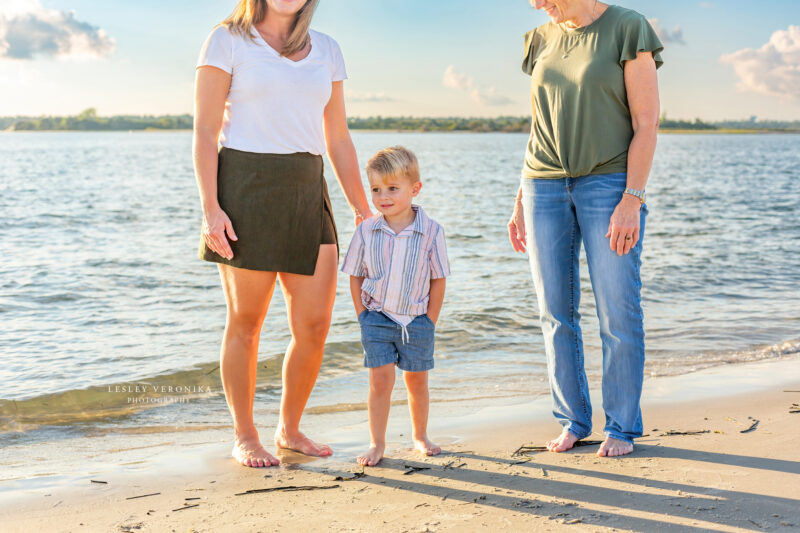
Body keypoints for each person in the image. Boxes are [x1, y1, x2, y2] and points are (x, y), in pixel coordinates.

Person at [193, 0, 372, 468]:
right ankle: (245, 435)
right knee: (246, 324)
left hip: (307, 188)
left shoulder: (327, 49)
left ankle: (289, 430)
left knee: (314, 325)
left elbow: (337, 137)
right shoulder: (227, 39)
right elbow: (205, 130)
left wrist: (363, 210)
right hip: (244, 188)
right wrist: (211, 208)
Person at [508, 0, 663, 457]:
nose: (537, 4)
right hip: (543, 185)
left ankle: (620, 426)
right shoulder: (539, 39)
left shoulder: (627, 28)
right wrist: (520, 199)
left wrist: (631, 200)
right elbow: (539, 126)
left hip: (609, 184)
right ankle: (572, 419)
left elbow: (647, 123)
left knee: (618, 311)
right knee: (554, 312)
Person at [341, 146, 450, 467]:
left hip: (417, 320)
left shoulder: (431, 231)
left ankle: (420, 435)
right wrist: (362, 316)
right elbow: (355, 275)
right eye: (375, 189)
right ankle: (377, 443)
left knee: (417, 382)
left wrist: (429, 320)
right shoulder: (366, 230)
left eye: (392, 188)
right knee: (380, 383)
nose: (383, 196)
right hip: (376, 318)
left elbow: (439, 278)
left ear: (414, 189)